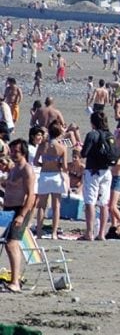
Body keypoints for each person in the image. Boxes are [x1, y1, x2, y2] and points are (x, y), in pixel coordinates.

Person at [2, 139, 36, 293]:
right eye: (12, 151)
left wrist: (22, 215)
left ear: (23, 152)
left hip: (19, 210)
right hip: (8, 210)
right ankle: (13, 279)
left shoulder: (26, 169)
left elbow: (31, 196)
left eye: (16, 151)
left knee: (12, 244)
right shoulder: (14, 168)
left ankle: (15, 282)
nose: (13, 154)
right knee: (6, 243)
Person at [81, 111, 114, 241]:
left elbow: (84, 153)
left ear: (92, 122)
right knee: (103, 203)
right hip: (106, 171)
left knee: (90, 202)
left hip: (92, 171)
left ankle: (89, 233)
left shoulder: (92, 134)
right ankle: (101, 234)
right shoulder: (109, 135)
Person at [34, 123, 68, 239]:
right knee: (56, 206)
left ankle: (39, 232)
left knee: (41, 206)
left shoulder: (43, 146)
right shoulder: (62, 147)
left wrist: (42, 164)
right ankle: (54, 233)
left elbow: (35, 162)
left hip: (44, 174)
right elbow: (64, 166)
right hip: (56, 175)